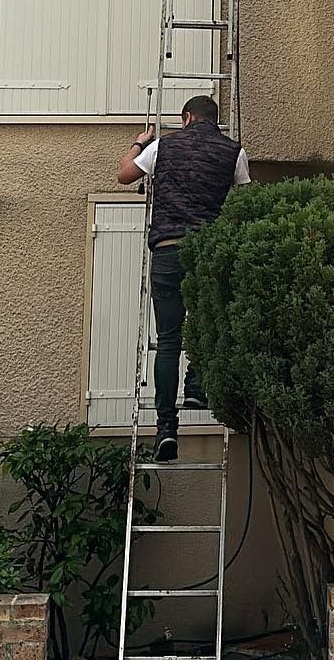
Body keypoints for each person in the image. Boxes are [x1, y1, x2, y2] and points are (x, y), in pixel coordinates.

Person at [117, 96, 251, 461]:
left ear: (187, 118)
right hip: (207, 252)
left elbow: (124, 174)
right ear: (215, 120)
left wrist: (140, 142)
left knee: (169, 339)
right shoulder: (234, 152)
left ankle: (165, 429)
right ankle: (196, 385)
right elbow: (244, 201)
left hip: (168, 251)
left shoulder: (163, 146)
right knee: (209, 324)